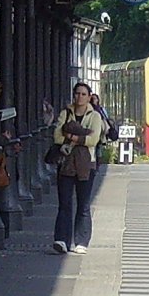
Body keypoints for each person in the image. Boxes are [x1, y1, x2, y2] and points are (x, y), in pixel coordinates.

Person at [51, 82, 104, 255]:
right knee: (64, 203)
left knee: (83, 204)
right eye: (77, 93)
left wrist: (71, 136)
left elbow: (93, 140)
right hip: (66, 164)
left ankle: (81, 240)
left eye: (83, 94)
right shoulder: (65, 113)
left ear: (89, 97)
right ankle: (61, 240)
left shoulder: (94, 116)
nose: (79, 97)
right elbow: (57, 137)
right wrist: (82, 135)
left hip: (86, 165)